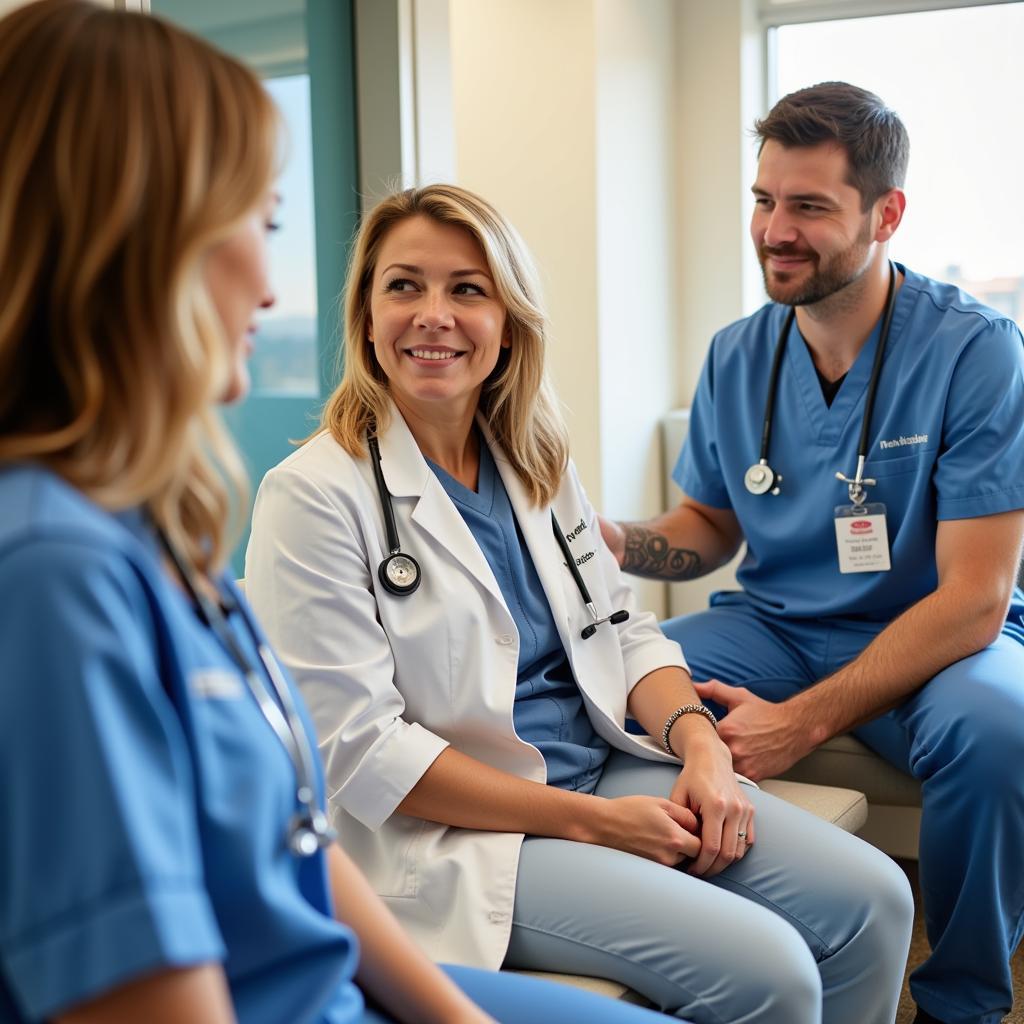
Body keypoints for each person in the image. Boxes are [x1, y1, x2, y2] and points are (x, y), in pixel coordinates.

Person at [0, 5, 672, 1023]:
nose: (271, 290)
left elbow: (294, 836)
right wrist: (588, 820)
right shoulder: (54, 572)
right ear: (138, 240)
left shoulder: (155, 532)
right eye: (256, 226)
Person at [244, 182, 914, 1024]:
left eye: (468, 289)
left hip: (603, 761)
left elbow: (625, 631)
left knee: (876, 904)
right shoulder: (312, 496)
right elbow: (362, 753)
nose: (433, 315)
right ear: (367, 314)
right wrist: (593, 825)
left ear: (508, 317)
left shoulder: (531, 457)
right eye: (404, 285)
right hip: (469, 831)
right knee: (771, 973)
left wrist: (700, 745)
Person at [600, 82, 1024, 1024]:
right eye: (764, 200)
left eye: (809, 207)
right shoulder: (738, 354)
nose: (774, 231)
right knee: (609, 679)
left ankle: (962, 1002)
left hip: (932, 636)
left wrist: (798, 723)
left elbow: (976, 600)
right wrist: (603, 539)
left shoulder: (977, 351)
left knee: (1000, 733)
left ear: (887, 214)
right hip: (777, 625)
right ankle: (698, 944)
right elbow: (706, 530)